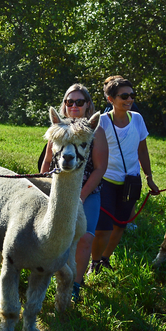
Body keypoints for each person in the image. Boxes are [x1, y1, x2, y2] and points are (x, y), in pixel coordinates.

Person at [40, 84, 107, 302]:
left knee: (85, 238)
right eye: (70, 102)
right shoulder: (58, 128)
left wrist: (82, 195)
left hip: (86, 190)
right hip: (58, 188)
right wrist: (41, 184)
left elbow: (100, 168)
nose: (74, 106)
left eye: (79, 102)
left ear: (88, 105)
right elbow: (48, 161)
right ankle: (45, 277)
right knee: (52, 235)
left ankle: (74, 284)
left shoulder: (95, 131)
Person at [90, 76, 158, 274]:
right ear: (110, 99)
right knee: (103, 228)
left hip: (131, 182)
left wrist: (149, 177)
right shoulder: (101, 122)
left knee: (120, 225)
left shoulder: (137, 119)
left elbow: (142, 151)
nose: (129, 100)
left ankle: (105, 259)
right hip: (106, 181)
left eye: (132, 95)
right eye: (124, 96)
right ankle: (94, 262)